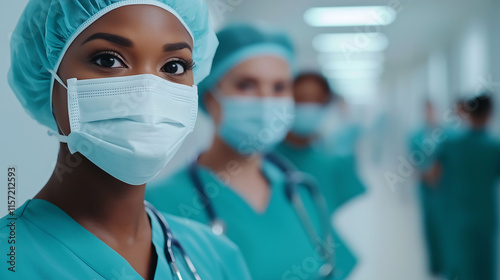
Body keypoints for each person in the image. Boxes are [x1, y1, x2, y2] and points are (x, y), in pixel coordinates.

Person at [0, 1, 252, 279]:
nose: (148, 91)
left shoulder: (216, 257)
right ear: (47, 74)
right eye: (108, 60)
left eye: (174, 66)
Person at [146, 23, 354, 279]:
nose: (266, 100)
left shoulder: (302, 192)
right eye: (246, 85)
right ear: (210, 95)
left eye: (279, 87)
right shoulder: (159, 203)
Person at [425, 94, 500, 280]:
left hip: (456, 217)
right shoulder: (494, 146)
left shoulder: (450, 143)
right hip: (485, 218)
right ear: (490, 113)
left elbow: (433, 178)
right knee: (485, 266)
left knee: (460, 264)